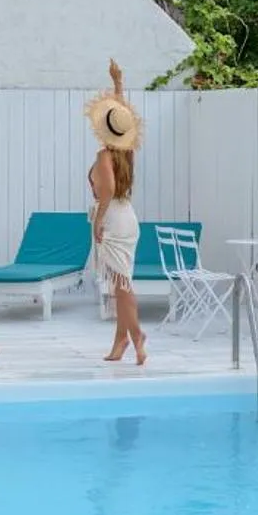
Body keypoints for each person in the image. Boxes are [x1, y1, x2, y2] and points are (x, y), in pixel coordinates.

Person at [87, 58, 146, 365]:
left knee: (122, 286)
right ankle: (121, 340)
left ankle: (136, 335)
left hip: (113, 220)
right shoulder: (127, 152)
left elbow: (107, 191)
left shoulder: (104, 156)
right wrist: (118, 83)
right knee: (120, 285)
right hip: (128, 217)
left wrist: (98, 221)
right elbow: (122, 117)